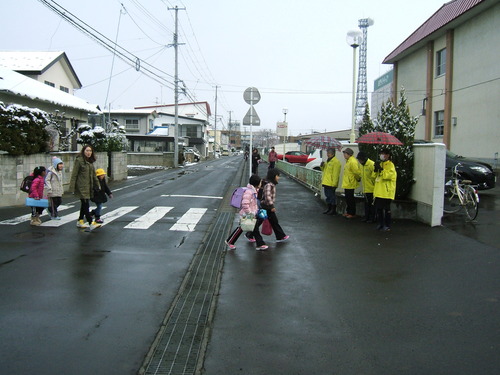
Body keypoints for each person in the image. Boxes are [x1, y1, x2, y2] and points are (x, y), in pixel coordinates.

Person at [225, 175, 266, 250]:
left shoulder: (253, 191)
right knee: (246, 228)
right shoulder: (249, 192)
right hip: (248, 214)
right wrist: (250, 213)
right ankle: (260, 244)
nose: (261, 184)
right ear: (256, 183)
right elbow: (245, 204)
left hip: (251, 213)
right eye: (260, 182)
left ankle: (230, 241)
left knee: (246, 228)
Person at [69, 145, 102, 231]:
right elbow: (74, 174)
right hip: (81, 187)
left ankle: (80, 220)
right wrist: (72, 188)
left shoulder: (90, 162)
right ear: (83, 151)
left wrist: (97, 184)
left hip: (88, 187)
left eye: (90, 151)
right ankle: (91, 223)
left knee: (84, 204)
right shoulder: (79, 161)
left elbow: (94, 175)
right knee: (86, 204)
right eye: (87, 151)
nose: (88, 152)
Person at [260, 168, 289, 243]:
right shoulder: (269, 185)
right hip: (266, 206)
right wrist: (272, 206)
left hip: (266, 206)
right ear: (274, 176)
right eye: (277, 176)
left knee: (271, 221)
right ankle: (280, 236)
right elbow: (267, 196)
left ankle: (280, 236)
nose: (278, 178)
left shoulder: (271, 184)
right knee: (273, 221)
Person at [373, 148, 397, 231]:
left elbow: (389, 176)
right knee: (379, 209)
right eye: (381, 154)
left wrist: (381, 170)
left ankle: (387, 225)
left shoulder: (390, 165)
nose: (382, 155)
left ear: (388, 155)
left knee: (386, 209)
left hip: (386, 192)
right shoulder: (380, 163)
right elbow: (374, 176)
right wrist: (375, 170)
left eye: (384, 154)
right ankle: (380, 223)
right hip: (379, 191)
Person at [320, 148, 341, 215]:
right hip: (326, 182)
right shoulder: (328, 161)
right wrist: (322, 166)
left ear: (332, 154)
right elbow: (324, 170)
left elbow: (335, 174)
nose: (327, 154)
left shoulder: (336, 162)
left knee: (332, 197)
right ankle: (329, 208)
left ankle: (333, 210)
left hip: (331, 183)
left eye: (328, 153)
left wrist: (334, 184)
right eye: (327, 153)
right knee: (328, 196)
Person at [341, 147, 361, 219]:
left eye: (345, 153)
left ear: (349, 154)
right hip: (347, 183)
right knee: (348, 198)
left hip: (350, 183)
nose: (344, 155)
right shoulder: (349, 161)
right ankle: (349, 212)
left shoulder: (352, 161)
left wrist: (358, 178)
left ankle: (352, 213)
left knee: (350, 198)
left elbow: (356, 172)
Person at [356, 151, 376, 223]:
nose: (359, 161)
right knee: (366, 204)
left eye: (359, 159)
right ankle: (366, 216)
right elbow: (361, 174)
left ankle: (372, 218)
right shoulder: (361, 165)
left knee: (372, 205)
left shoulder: (371, 164)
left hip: (372, 188)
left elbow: (374, 176)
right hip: (365, 188)